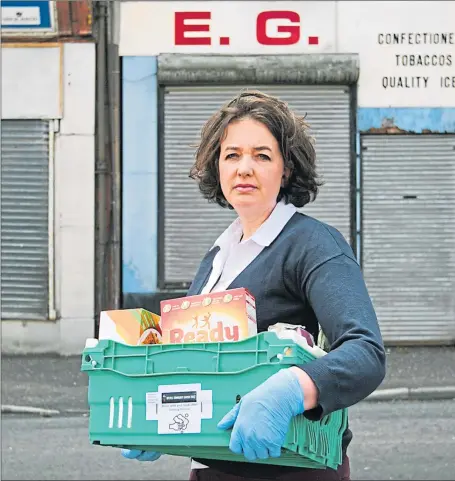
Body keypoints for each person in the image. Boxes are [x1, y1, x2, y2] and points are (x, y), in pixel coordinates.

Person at [121, 90, 386, 480]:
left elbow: (366, 353)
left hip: (290, 469)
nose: (244, 168)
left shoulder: (312, 244)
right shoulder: (216, 257)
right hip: (212, 467)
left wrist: (292, 391)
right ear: (217, 167)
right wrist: (158, 417)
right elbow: (200, 367)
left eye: (262, 155)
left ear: (287, 170)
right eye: (232, 155)